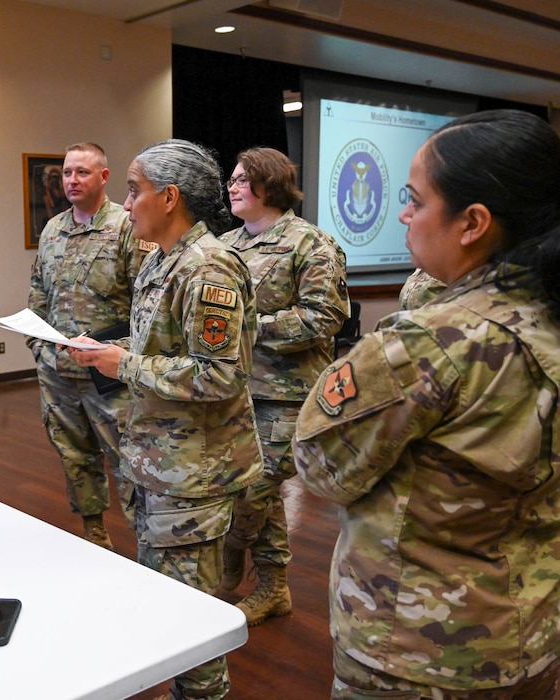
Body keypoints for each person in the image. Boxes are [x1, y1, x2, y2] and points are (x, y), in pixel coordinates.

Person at [294, 109, 560, 699]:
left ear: (473, 223)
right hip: (533, 637)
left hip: (418, 655)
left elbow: (320, 465)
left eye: (415, 200)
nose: (403, 215)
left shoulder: (433, 340)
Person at [70, 139, 262, 700]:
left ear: (170, 197)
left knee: (191, 637)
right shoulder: (162, 260)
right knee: (167, 614)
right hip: (159, 465)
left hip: (194, 476)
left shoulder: (209, 269)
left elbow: (220, 374)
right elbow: (164, 343)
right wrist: (103, 349)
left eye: (134, 190)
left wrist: (123, 362)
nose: (126, 204)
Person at [217, 147, 350, 626]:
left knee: (255, 490)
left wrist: (249, 327)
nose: (231, 186)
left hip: (286, 395)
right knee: (254, 492)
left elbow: (325, 317)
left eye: (240, 179)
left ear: (269, 185)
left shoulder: (310, 243)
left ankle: (232, 555)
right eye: (230, 179)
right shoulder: (227, 245)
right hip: (232, 391)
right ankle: (273, 588)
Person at [27, 142, 154, 550]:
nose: (72, 180)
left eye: (82, 172)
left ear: (104, 176)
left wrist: (115, 351)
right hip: (59, 373)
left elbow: (147, 306)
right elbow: (37, 293)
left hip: (109, 375)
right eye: (66, 173)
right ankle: (94, 536)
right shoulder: (52, 229)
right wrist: (39, 346)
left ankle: (145, 547)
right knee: (76, 459)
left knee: (127, 462)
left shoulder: (127, 227)